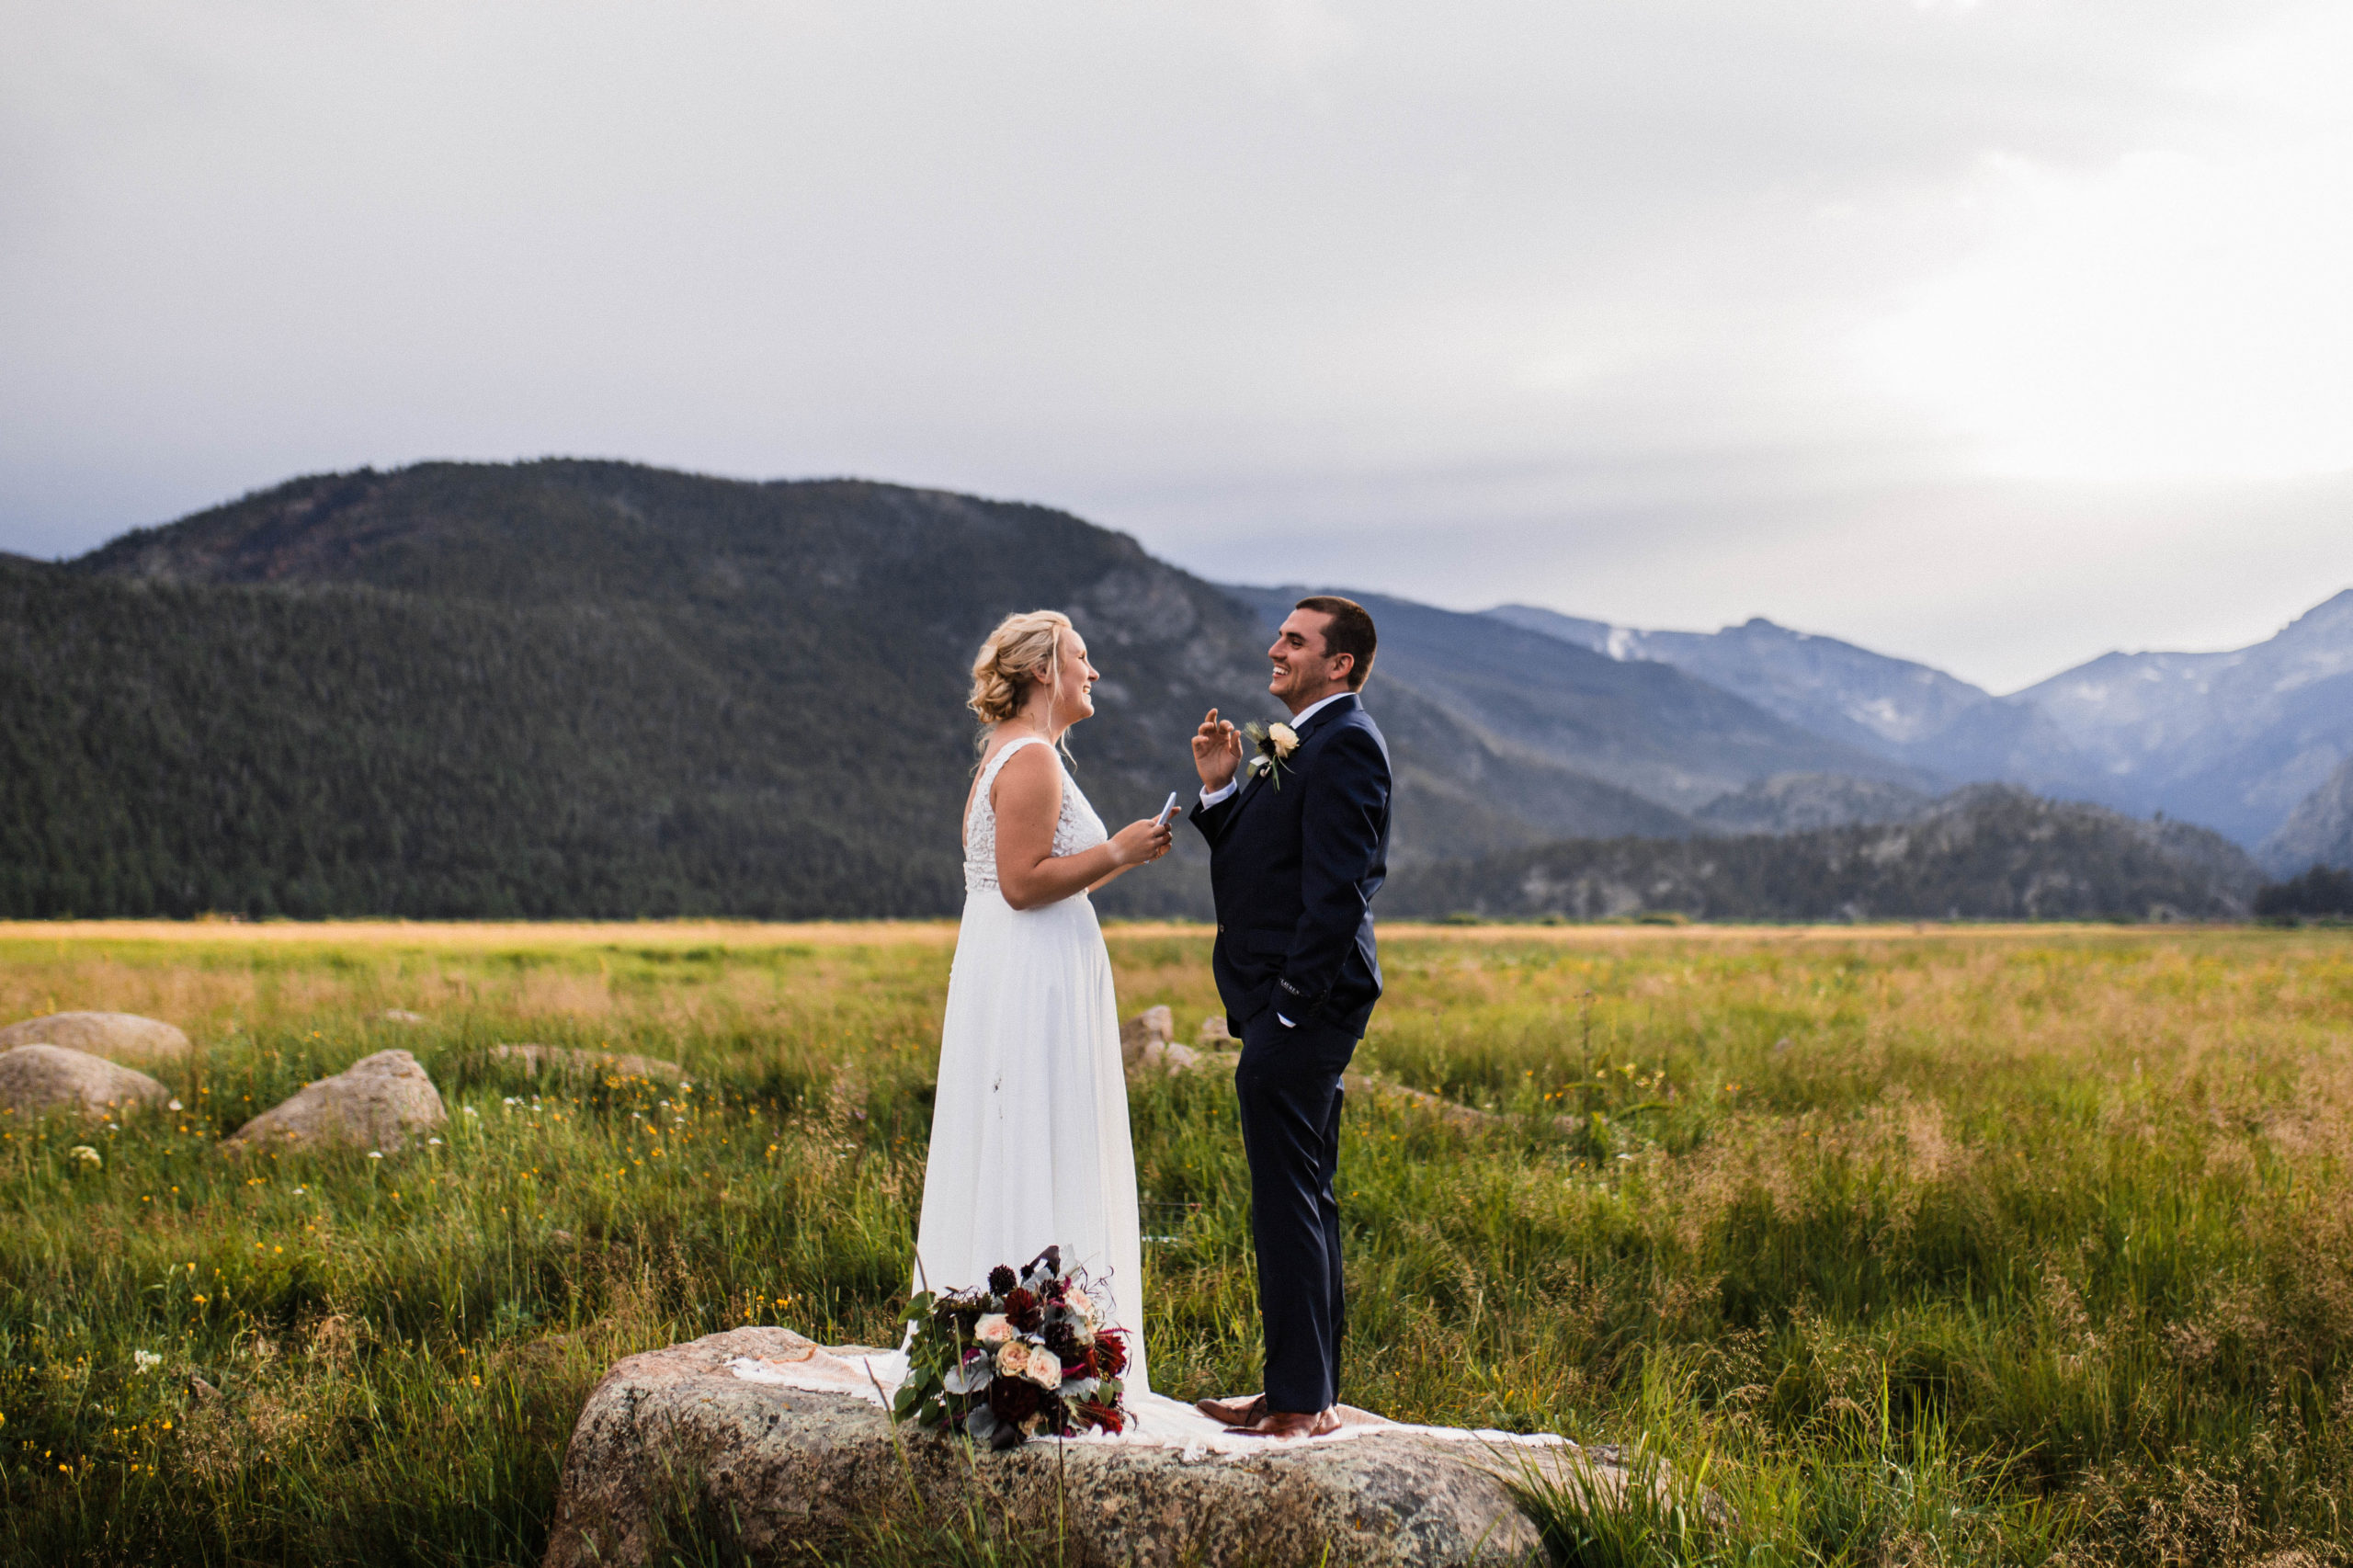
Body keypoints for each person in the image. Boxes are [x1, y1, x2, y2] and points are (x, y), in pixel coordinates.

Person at [910, 609, 1174, 1392]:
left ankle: (1027, 1338)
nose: (1093, 674)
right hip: (1033, 972)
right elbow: (1024, 885)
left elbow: (1050, 875)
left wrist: (1119, 857)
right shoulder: (1032, 761)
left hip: (1024, 962)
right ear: (1042, 673)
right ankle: (1038, 1348)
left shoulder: (1017, 754)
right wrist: (1119, 848)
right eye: (1082, 659)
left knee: (1026, 1129)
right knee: (1038, 1129)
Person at [1186, 596, 1392, 1438]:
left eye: (1295, 640)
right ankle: (1306, 1390)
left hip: (1305, 1007)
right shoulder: (1301, 743)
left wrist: (1292, 1011)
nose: (1275, 648)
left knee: (1287, 1202)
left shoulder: (1346, 746)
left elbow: (1342, 891)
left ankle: (1302, 1404)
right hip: (1284, 1004)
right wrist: (1222, 786)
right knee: (1304, 1197)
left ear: (1338, 663)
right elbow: (1263, 861)